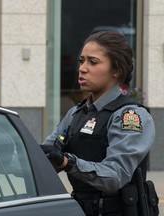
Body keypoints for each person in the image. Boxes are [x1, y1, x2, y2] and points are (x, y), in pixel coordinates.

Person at [41, 31, 156, 215]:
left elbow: (116, 174)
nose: (82, 68)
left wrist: (67, 162)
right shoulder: (76, 113)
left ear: (116, 70)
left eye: (93, 62)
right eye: (81, 61)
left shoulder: (129, 115)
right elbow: (45, 156)